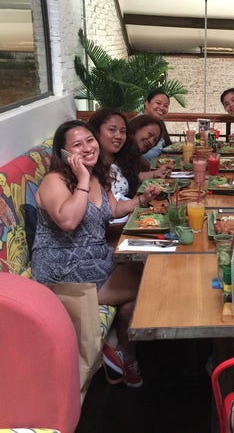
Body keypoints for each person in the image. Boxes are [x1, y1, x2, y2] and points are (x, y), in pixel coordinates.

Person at [31, 120, 162, 387]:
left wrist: (141, 200)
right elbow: (68, 221)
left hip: (96, 259)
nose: (87, 147)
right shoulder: (55, 180)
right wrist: (81, 179)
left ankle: (119, 350)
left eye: (90, 140)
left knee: (142, 281)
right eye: (77, 145)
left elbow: (111, 210)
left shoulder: (97, 175)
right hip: (63, 269)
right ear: (64, 153)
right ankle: (119, 351)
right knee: (149, 285)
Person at [88, 108, 140, 199]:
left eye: (122, 131)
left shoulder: (122, 159)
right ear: (96, 132)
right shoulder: (89, 165)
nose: (119, 136)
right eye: (112, 130)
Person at [128, 115, 171, 180]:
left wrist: (156, 173)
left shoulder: (134, 154)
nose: (151, 141)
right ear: (136, 128)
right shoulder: (119, 150)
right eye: (150, 134)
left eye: (155, 140)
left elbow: (132, 177)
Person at [138, 89, 172, 161]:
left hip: (159, 164)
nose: (162, 108)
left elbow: (168, 146)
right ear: (147, 104)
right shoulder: (136, 125)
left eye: (166, 106)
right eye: (158, 103)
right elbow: (133, 155)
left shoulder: (158, 123)